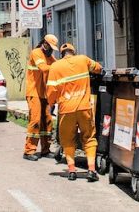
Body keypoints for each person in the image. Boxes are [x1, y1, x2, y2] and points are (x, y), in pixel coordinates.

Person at [46, 43, 103, 182]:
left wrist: (51, 104)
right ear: (73, 51)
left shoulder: (55, 67)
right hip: (84, 108)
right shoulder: (83, 59)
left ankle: (71, 170)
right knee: (89, 138)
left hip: (66, 110)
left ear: (62, 54)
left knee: (67, 140)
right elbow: (98, 68)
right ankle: (91, 170)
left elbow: (52, 91)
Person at [23, 34, 59, 161]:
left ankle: (45, 149)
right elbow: (44, 68)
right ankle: (29, 150)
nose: (51, 50)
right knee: (36, 120)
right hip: (34, 92)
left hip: (45, 94)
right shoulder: (36, 53)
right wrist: (58, 67)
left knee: (47, 121)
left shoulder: (50, 57)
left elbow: (58, 66)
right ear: (45, 44)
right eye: (50, 47)